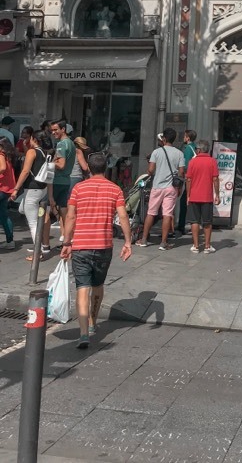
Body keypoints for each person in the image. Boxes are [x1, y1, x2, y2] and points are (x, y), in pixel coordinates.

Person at [61, 152, 132, 348]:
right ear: (106, 167)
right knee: (98, 285)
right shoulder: (115, 189)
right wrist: (128, 241)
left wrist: (67, 242)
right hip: (103, 246)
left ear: (89, 168)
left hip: (81, 246)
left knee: (82, 288)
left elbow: (71, 217)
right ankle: (93, 321)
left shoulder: (78, 188)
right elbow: (123, 217)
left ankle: (84, 333)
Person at [136, 128, 185, 251]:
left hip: (157, 186)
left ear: (163, 139)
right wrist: (179, 187)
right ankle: (163, 242)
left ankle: (144, 240)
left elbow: (151, 170)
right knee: (167, 214)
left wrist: (150, 168)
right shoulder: (179, 153)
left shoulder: (156, 152)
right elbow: (181, 172)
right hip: (171, 188)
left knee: (151, 212)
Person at [10, 130, 51, 259]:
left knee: (32, 223)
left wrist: (16, 189)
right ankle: (41, 245)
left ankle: (37, 252)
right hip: (41, 188)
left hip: (32, 189)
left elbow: (25, 171)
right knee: (22, 209)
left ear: (34, 139)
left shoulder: (32, 152)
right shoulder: (47, 153)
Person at [43, 120, 76, 251]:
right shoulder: (71, 144)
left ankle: (44, 244)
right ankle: (68, 240)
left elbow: (61, 165)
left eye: (56, 130)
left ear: (63, 129)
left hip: (57, 181)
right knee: (63, 210)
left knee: (44, 208)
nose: (53, 132)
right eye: (52, 130)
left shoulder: (62, 144)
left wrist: (49, 162)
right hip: (66, 181)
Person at [186, 139, 220, 254]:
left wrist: (188, 195)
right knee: (207, 222)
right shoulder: (212, 162)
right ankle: (207, 246)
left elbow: (188, 180)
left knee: (194, 221)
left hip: (194, 196)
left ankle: (195, 246)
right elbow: (215, 179)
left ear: (199, 149)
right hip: (207, 196)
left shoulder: (192, 162)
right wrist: (217, 194)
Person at [178, 129, 198, 236]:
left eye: (185, 136)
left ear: (188, 138)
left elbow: (185, 165)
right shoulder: (195, 147)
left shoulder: (187, 149)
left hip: (189, 178)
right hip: (197, 178)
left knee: (184, 201)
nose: (183, 138)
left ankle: (181, 225)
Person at [0, 138, 16, 250]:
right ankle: (10, 241)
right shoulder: (8, 156)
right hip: (7, 190)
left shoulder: (1, 155)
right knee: (4, 216)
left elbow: (2, 168)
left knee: (4, 216)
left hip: (1, 188)